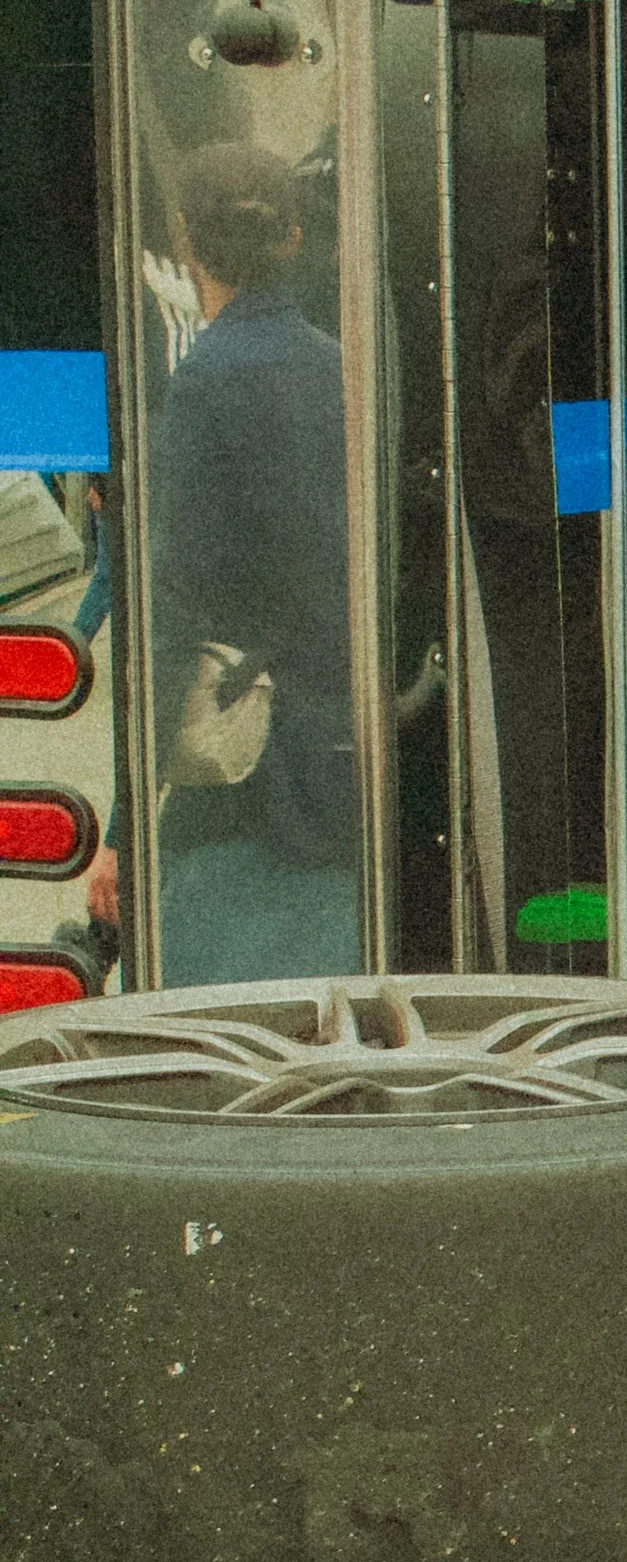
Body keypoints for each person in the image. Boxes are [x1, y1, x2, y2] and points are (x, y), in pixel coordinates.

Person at [89, 140, 359, 982]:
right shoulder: (344, 368)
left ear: (185, 242)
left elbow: (174, 613)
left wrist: (121, 836)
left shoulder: (202, 384)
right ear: (293, 238)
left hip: (249, 784)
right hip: (344, 770)